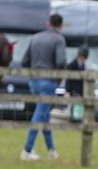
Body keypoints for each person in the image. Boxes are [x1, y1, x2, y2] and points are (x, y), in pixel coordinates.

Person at [21, 13, 66, 161]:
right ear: (61, 25)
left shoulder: (35, 38)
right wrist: (58, 76)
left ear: (48, 23)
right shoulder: (58, 39)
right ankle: (27, 150)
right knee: (40, 115)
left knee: (44, 115)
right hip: (48, 81)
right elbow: (61, 61)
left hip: (34, 81)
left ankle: (51, 150)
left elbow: (24, 61)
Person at [65, 45, 89, 121]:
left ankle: (78, 119)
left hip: (80, 90)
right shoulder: (72, 65)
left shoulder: (83, 65)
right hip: (73, 90)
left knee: (79, 107)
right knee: (74, 107)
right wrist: (67, 91)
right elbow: (68, 79)